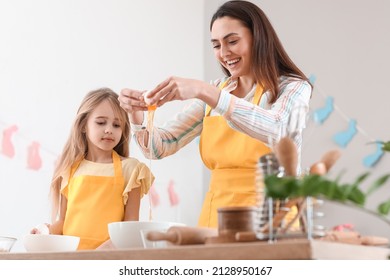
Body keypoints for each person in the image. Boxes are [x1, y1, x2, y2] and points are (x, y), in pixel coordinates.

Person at [118, 0, 312, 228]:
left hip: (273, 220)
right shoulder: (215, 94)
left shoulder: (293, 87)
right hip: (217, 219)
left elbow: (278, 129)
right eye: (217, 45)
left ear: (258, 38)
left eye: (232, 41)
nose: (224, 53)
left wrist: (206, 91)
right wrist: (138, 115)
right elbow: (158, 148)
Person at [31, 88, 154, 250]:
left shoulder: (131, 170)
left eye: (116, 125)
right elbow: (62, 222)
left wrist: (101, 254)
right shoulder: (69, 168)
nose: (109, 129)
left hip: (108, 258)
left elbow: (129, 228)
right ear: (83, 125)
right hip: (72, 259)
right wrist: (44, 233)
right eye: (101, 122)